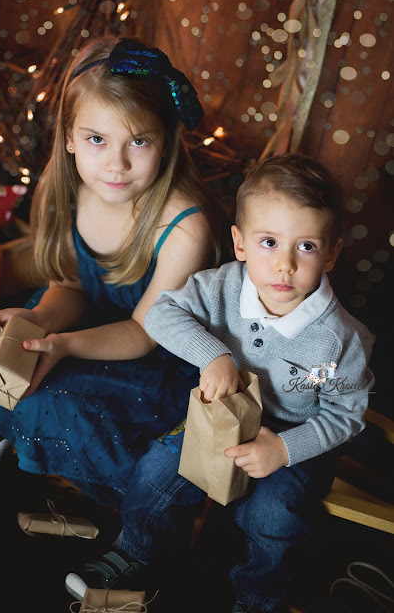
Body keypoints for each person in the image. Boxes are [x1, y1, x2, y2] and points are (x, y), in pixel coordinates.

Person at [65, 153, 374, 612]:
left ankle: (257, 597)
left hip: (294, 439)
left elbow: (345, 415)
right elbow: (160, 313)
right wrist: (214, 354)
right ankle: (137, 551)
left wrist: (284, 450)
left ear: (331, 253)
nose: (285, 265)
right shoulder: (224, 287)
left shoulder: (341, 340)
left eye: (306, 246)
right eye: (269, 242)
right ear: (241, 243)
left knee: (273, 515)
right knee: (155, 471)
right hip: (218, 419)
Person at [0, 36, 222, 504]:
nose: (116, 164)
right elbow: (69, 287)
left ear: (165, 142)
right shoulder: (70, 192)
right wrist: (37, 323)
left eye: (139, 141)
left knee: (53, 400)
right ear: (69, 136)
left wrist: (60, 346)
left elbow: (146, 333)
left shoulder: (185, 227)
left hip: (146, 357)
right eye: (97, 140)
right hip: (79, 327)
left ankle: (137, 502)